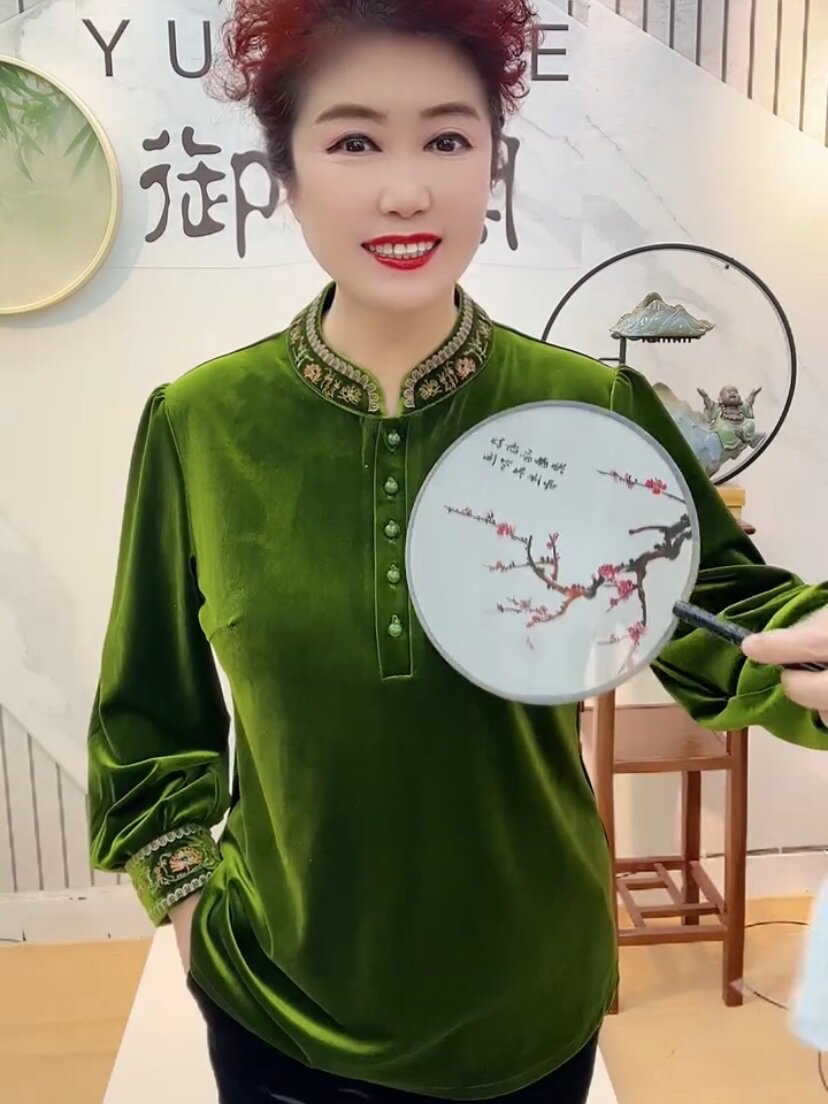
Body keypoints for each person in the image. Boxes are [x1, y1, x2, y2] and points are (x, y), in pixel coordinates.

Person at [86, 1, 828, 1101]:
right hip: (281, 1004)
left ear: (492, 160)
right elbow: (149, 717)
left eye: (446, 138)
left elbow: (720, 611)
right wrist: (196, 915)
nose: (406, 191)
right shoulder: (201, 424)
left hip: (529, 1004)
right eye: (353, 141)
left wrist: (809, 656)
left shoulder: (590, 408)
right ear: (285, 172)